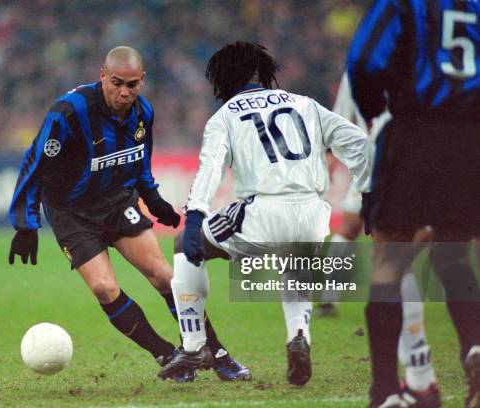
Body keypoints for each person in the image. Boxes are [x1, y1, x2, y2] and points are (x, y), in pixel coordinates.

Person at [7, 46, 250, 381]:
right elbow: (35, 164)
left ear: (142, 81)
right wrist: (25, 224)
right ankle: (168, 354)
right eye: (117, 83)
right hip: (71, 213)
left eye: (132, 85)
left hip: (116, 201)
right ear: (102, 76)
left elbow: (138, 162)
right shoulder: (68, 112)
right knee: (105, 288)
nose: (124, 92)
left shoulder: (143, 112)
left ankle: (217, 352)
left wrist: (154, 198)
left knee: (166, 276)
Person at [158, 41, 373, 386]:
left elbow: (209, 170)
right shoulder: (306, 104)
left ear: (224, 77)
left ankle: (195, 344)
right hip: (312, 214)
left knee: (185, 243)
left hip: (262, 211)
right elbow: (361, 145)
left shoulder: (225, 116)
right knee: (294, 267)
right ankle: (298, 336)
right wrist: (369, 195)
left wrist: (195, 215)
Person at [348, 0, 480, 406]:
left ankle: (386, 390)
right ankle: (475, 347)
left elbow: (365, 62)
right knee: (454, 255)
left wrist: (375, 112)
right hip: (472, 139)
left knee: (389, 260)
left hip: (414, 133)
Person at [319, 73, 440, 404]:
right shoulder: (424, 58)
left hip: (375, 158)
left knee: (367, 240)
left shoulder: (359, 67)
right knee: (402, 250)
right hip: (416, 157)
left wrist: (331, 156)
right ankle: (418, 364)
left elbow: (340, 114)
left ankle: (329, 292)